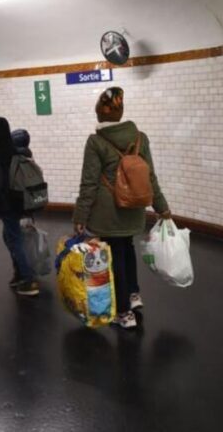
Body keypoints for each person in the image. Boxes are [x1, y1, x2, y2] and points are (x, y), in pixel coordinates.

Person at [72, 87, 171, 329]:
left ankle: (124, 314)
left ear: (100, 113)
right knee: (127, 247)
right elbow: (150, 176)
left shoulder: (96, 142)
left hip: (109, 212)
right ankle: (133, 294)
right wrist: (162, 207)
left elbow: (89, 183)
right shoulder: (140, 138)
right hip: (134, 207)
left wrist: (80, 216)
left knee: (115, 255)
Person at [0, 117, 39, 296]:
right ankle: (21, 273)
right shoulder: (21, 152)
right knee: (10, 237)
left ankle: (28, 280)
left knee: (14, 240)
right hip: (24, 202)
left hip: (9, 206)